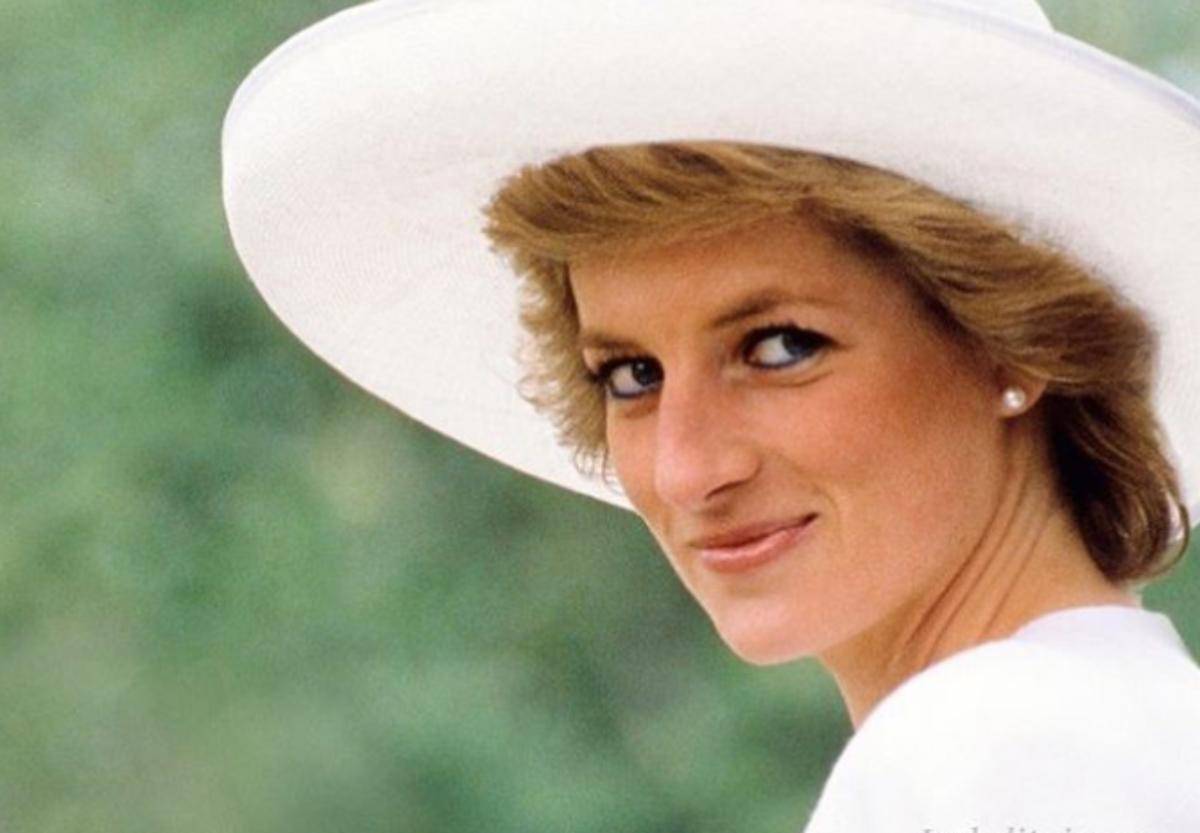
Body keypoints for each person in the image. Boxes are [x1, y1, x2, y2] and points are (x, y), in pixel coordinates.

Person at [221, 0, 1200, 829]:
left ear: (1013, 343)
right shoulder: (1120, 724)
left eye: (779, 348)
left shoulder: (990, 752)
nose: (687, 469)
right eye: (632, 375)